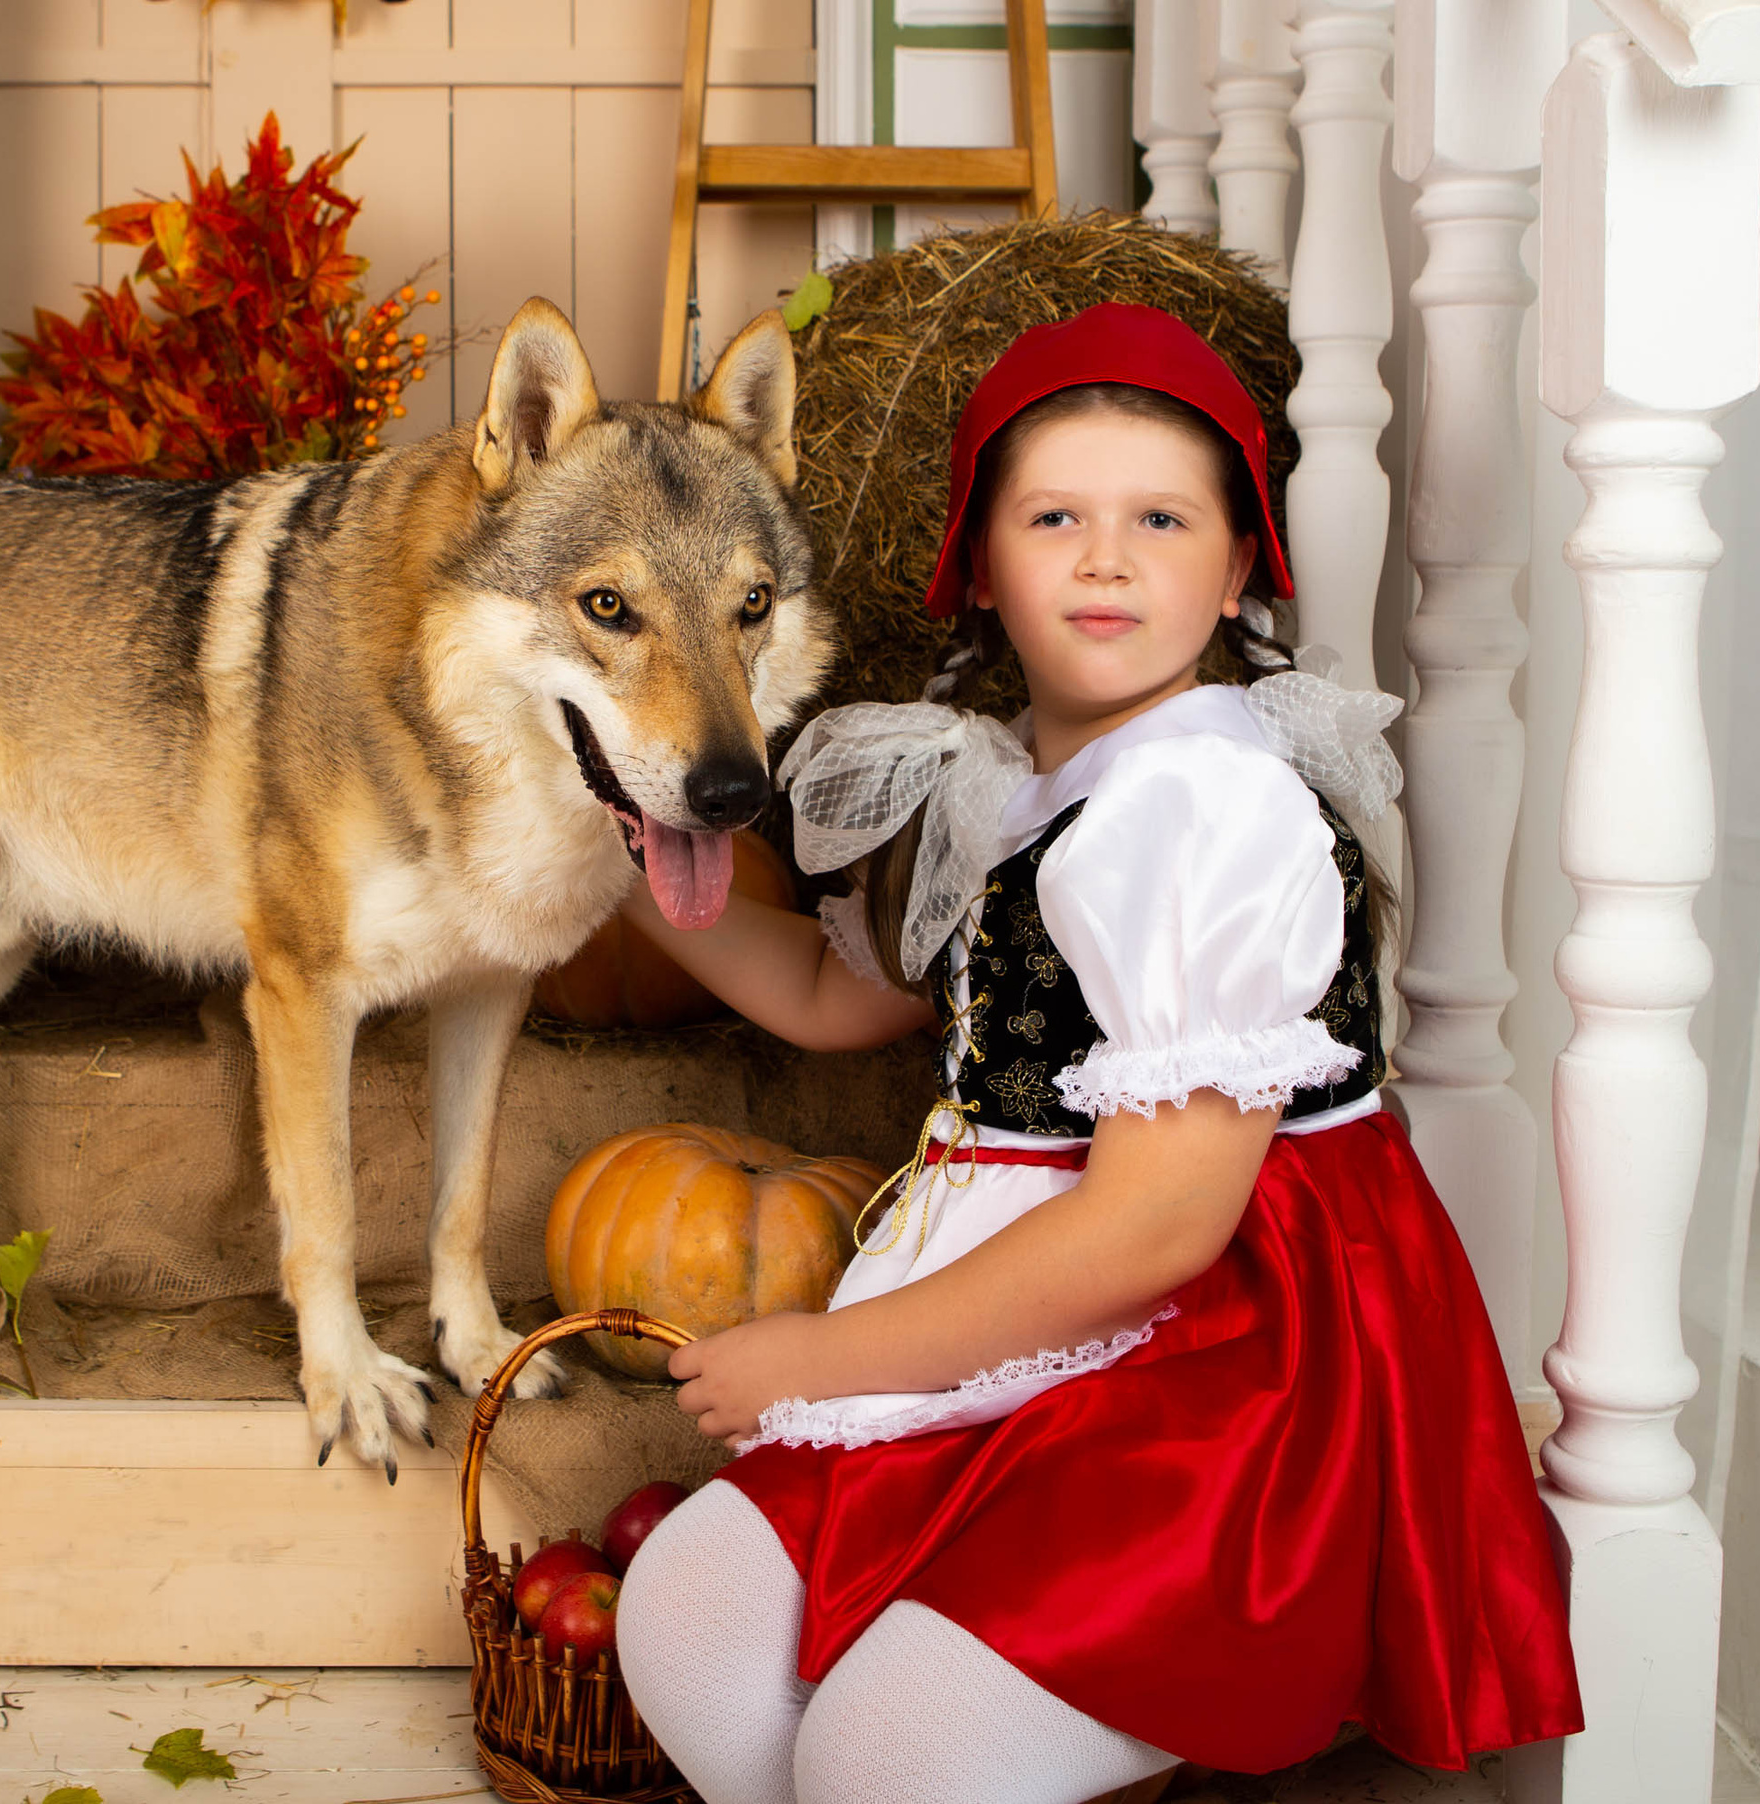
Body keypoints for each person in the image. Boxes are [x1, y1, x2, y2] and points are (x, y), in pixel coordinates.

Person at [608, 303, 1583, 1804]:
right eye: (1055, 515)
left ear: (1242, 561)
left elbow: (1160, 1224)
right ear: (983, 565)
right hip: (1028, 1313)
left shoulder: (1202, 801)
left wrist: (821, 1354)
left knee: (887, 1754)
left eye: (1162, 518)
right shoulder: (1020, 783)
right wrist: (631, 855)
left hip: (1225, 1357)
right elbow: (825, 996)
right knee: (686, 1623)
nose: (1107, 558)